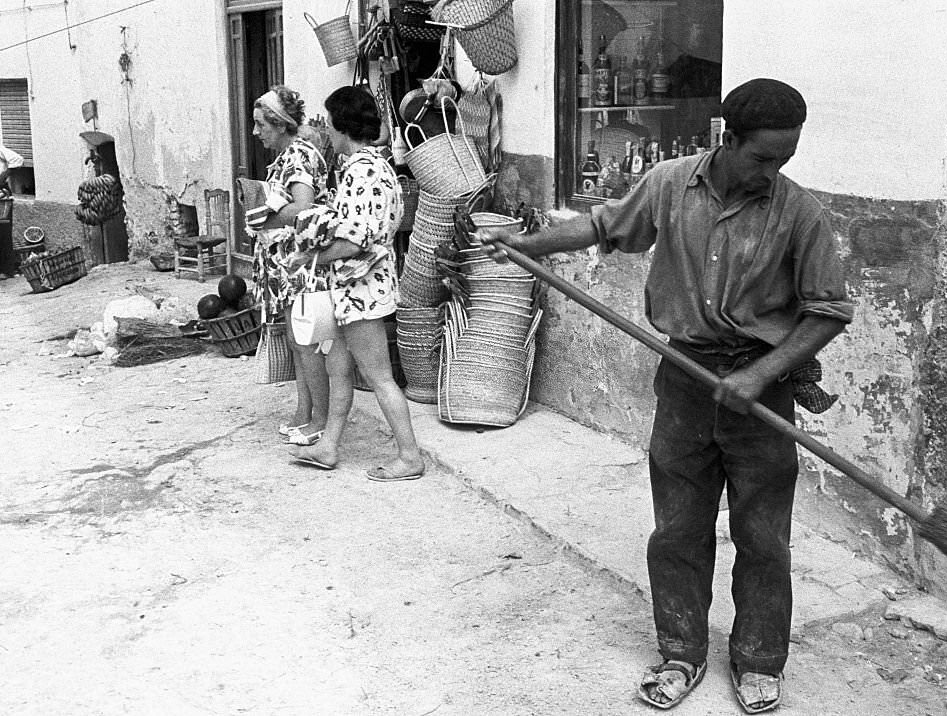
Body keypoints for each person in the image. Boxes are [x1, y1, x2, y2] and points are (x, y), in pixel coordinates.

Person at [481, 78, 854, 713]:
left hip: (760, 388)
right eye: (763, 157)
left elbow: (827, 311)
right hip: (685, 377)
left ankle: (760, 658)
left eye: (785, 159)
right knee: (677, 526)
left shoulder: (799, 214)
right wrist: (528, 243)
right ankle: (681, 650)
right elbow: (605, 225)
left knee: (763, 533)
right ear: (727, 139)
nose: (773, 171)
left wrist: (761, 376)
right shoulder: (670, 184)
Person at [288, 85, 424, 481]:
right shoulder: (375, 165)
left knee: (380, 377)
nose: (325, 130)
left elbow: (354, 240)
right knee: (338, 369)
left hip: (361, 289)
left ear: (341, 125)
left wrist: (308, 257)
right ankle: (328, 446)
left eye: (328, 122)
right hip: (358, 287)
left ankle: (410, 456)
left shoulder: (362, 171)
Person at [246, 85, 331, 447]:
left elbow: (303, 207)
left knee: (306, 341)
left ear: (279, 124)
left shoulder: (299, 156)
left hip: (299, 263)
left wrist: (266, 219)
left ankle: (321, 420)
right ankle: (303, 414)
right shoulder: (287, 156)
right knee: (298, 342)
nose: (255, 132)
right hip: (283, 264)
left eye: (260, 124)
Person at [0, 144, 24, 279]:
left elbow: (17, 159)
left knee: (3, 231)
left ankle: (7, 269)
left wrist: (3, 175)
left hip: (1, 194)